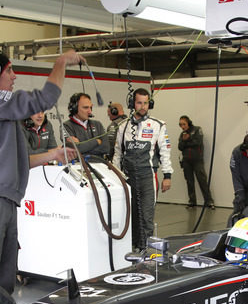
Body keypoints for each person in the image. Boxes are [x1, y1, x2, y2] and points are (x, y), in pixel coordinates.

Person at [0, 49, 82, 293]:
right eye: (9, 70)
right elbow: (43, 99)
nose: (14, 76)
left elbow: (18, 161)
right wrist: (60, 62)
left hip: (5, 201)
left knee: (5, 279)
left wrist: (53, 155)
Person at [113, 88, 173, 249]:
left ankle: (146, 250)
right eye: (139, 102)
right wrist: (115, 176)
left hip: (148, 177)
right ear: (133, 104)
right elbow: (117, 154)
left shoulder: (158, 125)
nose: (142, 106)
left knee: (146, 216)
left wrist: (167, 175)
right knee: (130, 216)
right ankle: (132, 247)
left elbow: (165, 152)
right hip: (128, 178)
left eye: (145, 103)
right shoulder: (123, 126)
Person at [178, 115, 214, 209]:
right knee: (189, 182)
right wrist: (185, 142)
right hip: (186, 161)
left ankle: (209, 201)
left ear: (188, 122)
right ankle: (192, 202)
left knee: (202, 181)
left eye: (184, 124)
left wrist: (187, 140)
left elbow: (197, 142)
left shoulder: (197, 130)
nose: (182, 126)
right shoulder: (182, 134)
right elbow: (180, 147)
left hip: (197, 160)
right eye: (181, 125)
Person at [61, 93, 110, 158]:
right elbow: (74, 149)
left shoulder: (98, 124)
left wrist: (82, 146)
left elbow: (106, 148)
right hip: (78, 166)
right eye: (86, 107)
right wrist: (97, 141)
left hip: (100, 165)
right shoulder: (66, 126)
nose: (90, 111)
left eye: (91, 107)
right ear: (74, 108)